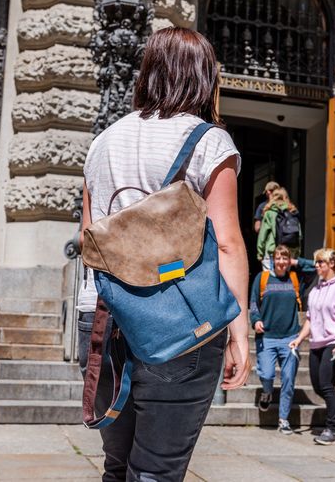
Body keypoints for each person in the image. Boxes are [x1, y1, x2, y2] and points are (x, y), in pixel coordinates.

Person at [82, 27, 250, 481]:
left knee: (117, 467)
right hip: (180, 324)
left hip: (103, 319)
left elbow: (88, 239)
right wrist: (239, 332)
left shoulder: (102, 142)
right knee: (156, 470)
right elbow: (229, 242)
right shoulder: (209, 140)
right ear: (202, 78)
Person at [289, 248, 335, 446]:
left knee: (326, 384)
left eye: (320, 262)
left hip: (334, 342)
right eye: (316, 262)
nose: (316, 266)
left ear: (331, 264)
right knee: (318, 387)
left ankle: (332, 429)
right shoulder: (316, 290)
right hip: (317, 342)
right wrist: (299, 339)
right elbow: (310, 319)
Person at [250, 244, 315, 435]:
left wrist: (295, 261)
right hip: (267, 337)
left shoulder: (295, 279)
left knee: (288, 379)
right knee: (267, 374)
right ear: (272, 260)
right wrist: (255, 320)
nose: (281, 262)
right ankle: (267, 392)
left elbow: (313, 266)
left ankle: (283, 420)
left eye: (284, 258)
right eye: (278, 258)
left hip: (290, 338)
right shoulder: (262, 279)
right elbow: (253, 302)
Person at [256, 187, 301, 271]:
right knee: (285, 279)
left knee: (269, 279)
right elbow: (299, 234)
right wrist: (297, 252)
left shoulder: (269, 212)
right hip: (288, 252)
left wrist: (260, 254)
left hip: (272, 251)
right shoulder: (292, 211)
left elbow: (262, 235)